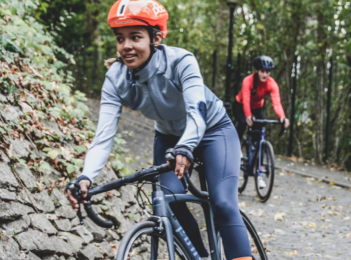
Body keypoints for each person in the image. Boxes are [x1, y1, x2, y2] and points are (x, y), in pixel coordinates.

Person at [65, 1, 251, 259]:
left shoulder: (181, 61)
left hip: (212, 130)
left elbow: (197, 112)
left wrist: (187, 146)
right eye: (120, 39)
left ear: (157, 38)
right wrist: (86, 177)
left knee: (222, 203)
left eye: (135, 37)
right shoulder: (116, 79)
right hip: (168, 136)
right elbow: (103, 137)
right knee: (170, 201)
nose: (126, 45)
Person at [234, 56, 289, 187]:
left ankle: (258, 173)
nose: (265, 74)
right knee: (242, 123)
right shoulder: (248, 81)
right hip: (241, 105)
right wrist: (248, 116)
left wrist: (282, 117)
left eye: (267, 72)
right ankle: (236, 146)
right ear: (256, 71)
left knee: (259, 138)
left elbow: (276, 103)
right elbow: (246, 100)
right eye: (262, 71)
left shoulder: (272, 84)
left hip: (257, 107)